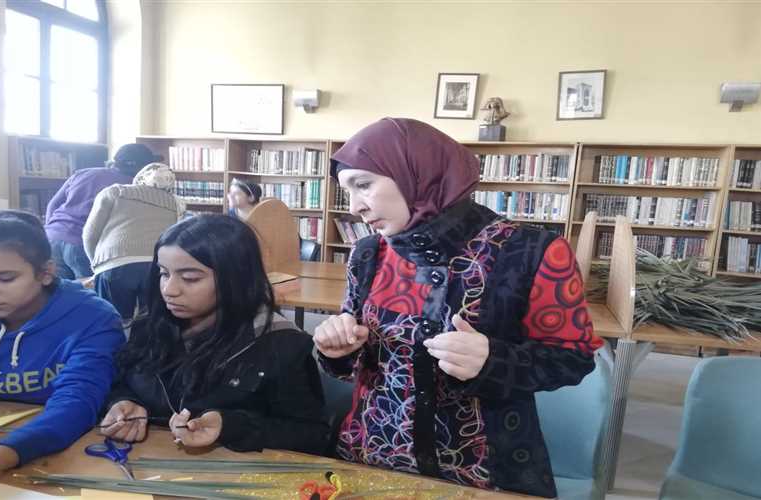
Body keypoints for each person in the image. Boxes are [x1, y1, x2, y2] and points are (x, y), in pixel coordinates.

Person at [314, 118, 603, 498]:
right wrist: (335, 349)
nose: (355, 208)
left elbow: (572, 358)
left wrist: (493, 360)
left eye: (363, 185)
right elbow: (355, 350)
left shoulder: (531, 252)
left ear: (417, 172)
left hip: (482, 472)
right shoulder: (368, 253)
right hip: (368, 456)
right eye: (347, 192)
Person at [99, 215, 329, 456]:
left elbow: (312, 435)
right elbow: (122, 380)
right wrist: (123, 402)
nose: (169, 290)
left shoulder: (280, 343)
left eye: (190, 278)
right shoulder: (149, 324)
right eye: (164, 273)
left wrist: (230, 426)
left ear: (235, 278)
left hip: (232, 471)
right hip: (147, 462)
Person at [0, 211, 124, 499]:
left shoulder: (92, 318)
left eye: (5, 278)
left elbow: (76, 404)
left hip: (56, 449)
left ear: (45, 273)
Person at [83, 163, 183, 324]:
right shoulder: (177, 203)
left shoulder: (114, 192)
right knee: (150, 321)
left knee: (113, 321)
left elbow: (89, 234)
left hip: (114, 264)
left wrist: (97, 265)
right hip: (156, 267)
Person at [44, 143, 160, 280]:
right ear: (145, 168)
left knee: (59, 289)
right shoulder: (133, 187)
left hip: (52, 237)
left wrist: (53, 230)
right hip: (82, 245)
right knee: (89, 290)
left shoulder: (83, 173)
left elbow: (53, 204)